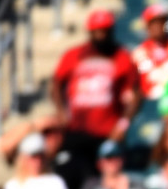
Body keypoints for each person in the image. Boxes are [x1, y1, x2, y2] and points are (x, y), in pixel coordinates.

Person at [51, 10, 140, 163]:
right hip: (76, 130)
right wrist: (61, 111)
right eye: (97, 31)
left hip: (108, 132)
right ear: (90, 32)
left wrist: (123, 125)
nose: (101, 36)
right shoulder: (74, 55)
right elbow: (57, 83)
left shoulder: (122, 57)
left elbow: (137, 94)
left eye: (105, 31)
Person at [132, 4, 168, 101]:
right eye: (154, 22)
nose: (159, 26)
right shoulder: (139, 52)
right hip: (151, 103)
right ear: (147, 26)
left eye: (162, 22)